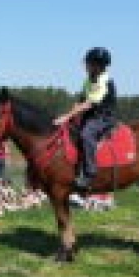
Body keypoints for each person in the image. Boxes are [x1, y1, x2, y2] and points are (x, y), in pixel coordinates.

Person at [54, 47, 117, 191]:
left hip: (103, 118)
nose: (86, 66)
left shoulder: (103, 81)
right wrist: (69, 115)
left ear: (98, 65)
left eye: (88, 63)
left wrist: (67, 116)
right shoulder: (89, 79)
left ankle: (90, 174)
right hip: (90, 116)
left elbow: (89, 104)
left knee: (86, 135)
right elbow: (81, 100)